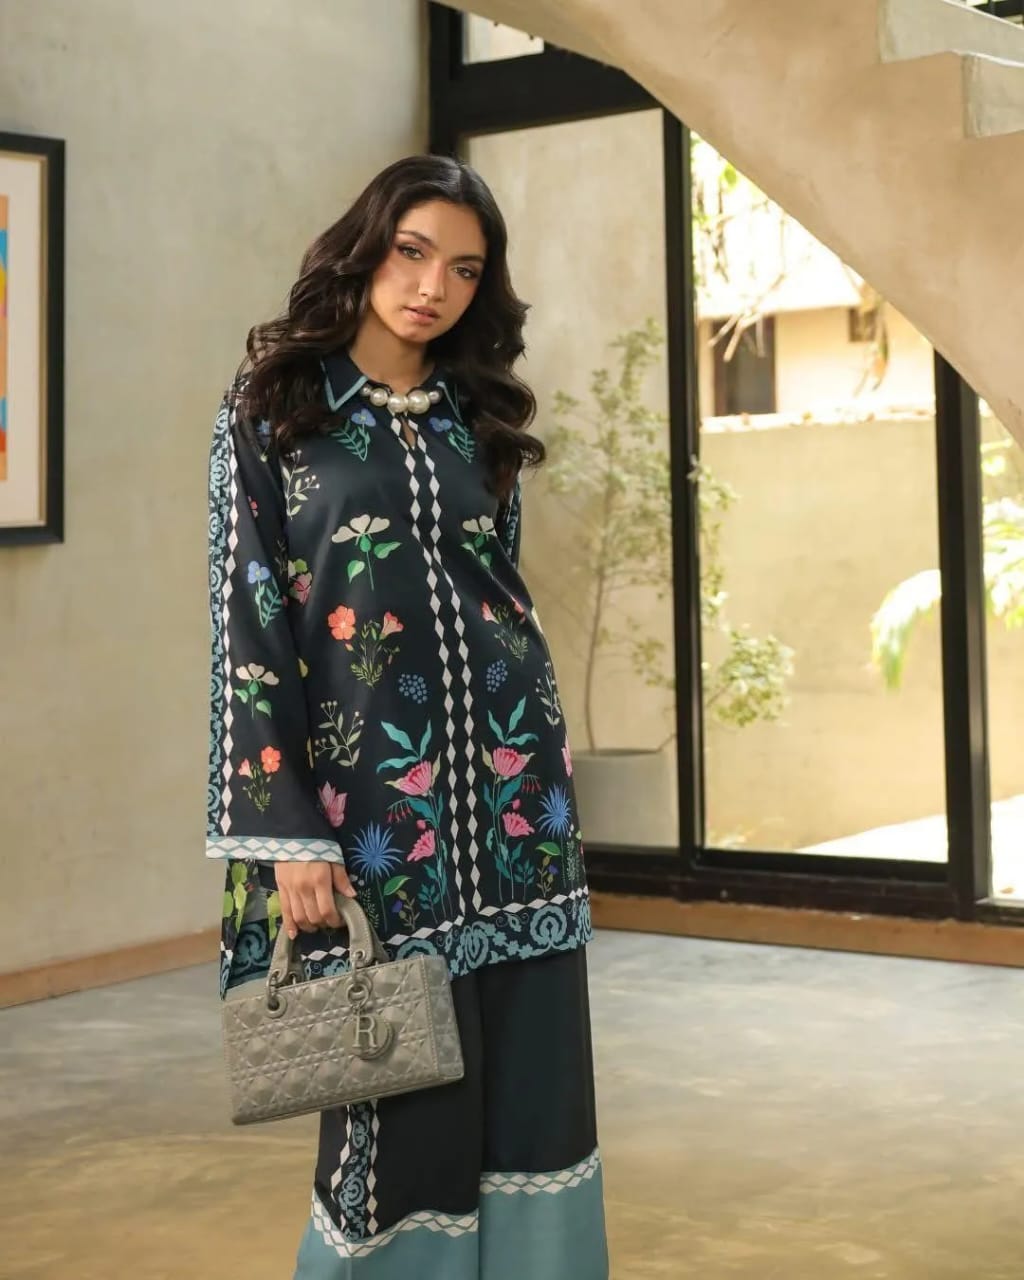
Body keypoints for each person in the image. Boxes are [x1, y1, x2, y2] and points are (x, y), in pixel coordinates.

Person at [206, 153, 608, 1278]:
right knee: (394, 1113)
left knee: (536, 1095)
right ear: (368, 246)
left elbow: (503, 598)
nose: (433, 285)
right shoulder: (273, 414)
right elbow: (249, 630)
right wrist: (287, 830)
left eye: (464, 269)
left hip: (517, 807)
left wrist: (538, 767)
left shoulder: (473, 419)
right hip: (376, 819)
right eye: (413, 251)